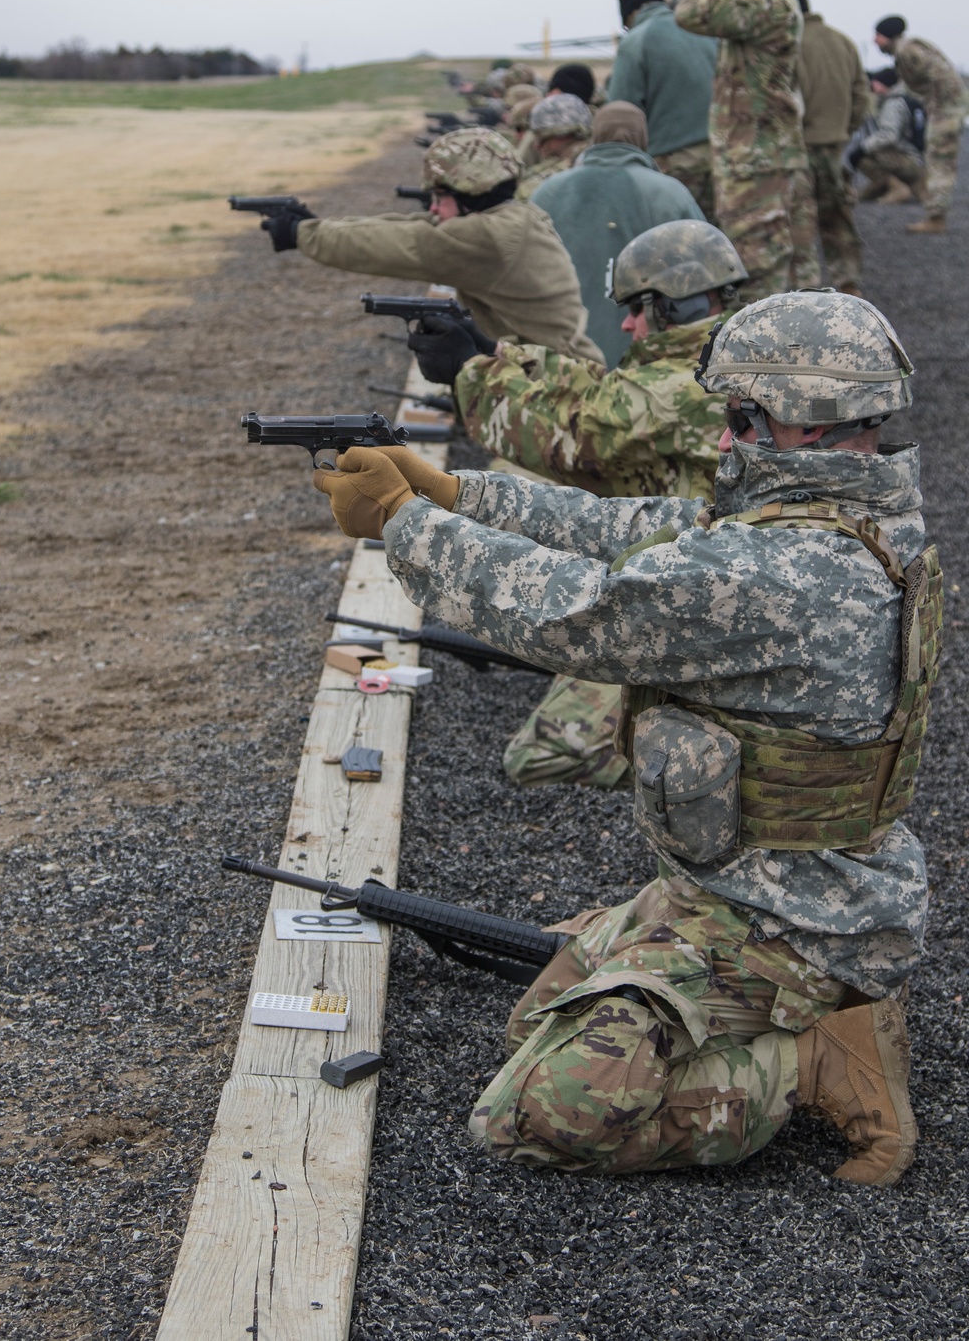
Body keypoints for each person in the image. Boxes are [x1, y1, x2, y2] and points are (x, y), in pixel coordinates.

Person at [314, 289, 935, 1186]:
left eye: (740, 418)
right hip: (744, 886)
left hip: (790, 917)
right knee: (532, 1028)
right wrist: (460, 493)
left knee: (537, 1114)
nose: (724, 438)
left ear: (795, 422)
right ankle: (772, 1012)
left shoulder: (785, 570)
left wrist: (407, 526)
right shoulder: (844, 521)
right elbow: (633, 530)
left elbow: (581, 612)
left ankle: (816, 1060)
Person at [412, 218, 744, 791]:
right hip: (715, 579)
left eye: (639, 309)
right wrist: (496, 352)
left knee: (542, 754)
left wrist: (469, 373)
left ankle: (710, 746)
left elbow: (574, 435)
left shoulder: (680, 389)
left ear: (676, 307)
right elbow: (596, 390)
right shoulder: (723, 357)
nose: (627, 322)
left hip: (705, 608)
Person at [253, 126, 604, 362]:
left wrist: (302, 234)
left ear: (471, 193)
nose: (433, 208)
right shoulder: (510, 220)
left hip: (558, 383)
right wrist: (318, 225)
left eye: (440, 196)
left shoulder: (489, 237)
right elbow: (411, 226)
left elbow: (403, 243)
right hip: (557, 371)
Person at [675, 0, 821, 300]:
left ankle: (759, 357)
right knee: (786, 272)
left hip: (755, 162)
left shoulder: (766, 2)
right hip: (762, 156)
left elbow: (689, 11)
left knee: (754, 277)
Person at [528, 102, 706, 365]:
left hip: (562, 361)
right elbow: (706, 278)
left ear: (595, 136)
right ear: (643, 137)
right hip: (644, 363)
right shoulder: (670, 194)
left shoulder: (546, 193)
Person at [607, 0, 718, 220]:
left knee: (677, 246)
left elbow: (620, 114)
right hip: (722, 159)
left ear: (630, 14)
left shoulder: (636, 41)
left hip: (673, 165)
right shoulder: (706, 33)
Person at [792, 0, 872, 295]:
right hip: (834, 145)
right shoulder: (843, 41)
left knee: (799, 221)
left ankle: (806, 288)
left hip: (797, 148)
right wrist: (844, 130)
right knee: (838, 217)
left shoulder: (787, 43)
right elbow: (860, 94)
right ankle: (849, 281)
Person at [873, 15, 968, 233]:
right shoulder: (907, 50)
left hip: (945, 110)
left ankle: (936, 218)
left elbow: (939, 76)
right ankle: (934, 213)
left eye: (877, 36)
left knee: (939, 162)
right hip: (945, 108)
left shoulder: (908, 51)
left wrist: (938, 105)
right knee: (937, 161)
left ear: (888, 36)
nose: (874, 41)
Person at [854, 68, 926, 205]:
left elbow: (889, 135)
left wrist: (861, 149)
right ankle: (912, 186)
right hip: (918, 160)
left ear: (882, 84)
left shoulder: (893, 104)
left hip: (908, 161)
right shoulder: (906, 100)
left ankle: (897, 188)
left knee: (863, 156)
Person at [516, 94, 593, 201]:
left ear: (564, 134)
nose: (537, 146)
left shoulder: (554, 178)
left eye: (543, 138)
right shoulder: (597, 158)